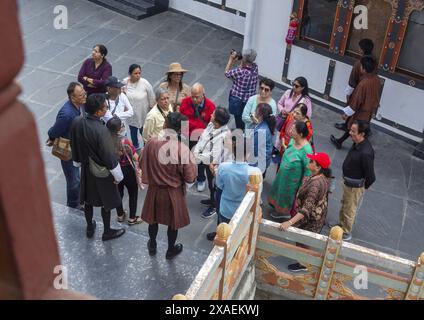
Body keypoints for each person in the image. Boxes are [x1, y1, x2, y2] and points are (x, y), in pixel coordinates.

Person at [140, 112, 197, 260]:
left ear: (165, 125)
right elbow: (190, 178)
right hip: (173, 192)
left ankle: (152, 244)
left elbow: (142, 163)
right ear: (179, 130)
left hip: (154, 190)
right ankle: (170, 249)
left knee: (153, 220)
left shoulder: (151, 142)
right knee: (173, 224)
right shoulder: (182, 149)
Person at [70, 94, 125, 241]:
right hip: (102, 173)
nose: (107, 109)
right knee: (105, 202)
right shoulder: (102, 131)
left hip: (86, 170)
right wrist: (118, 176)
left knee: (87, 200)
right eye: (105, 108)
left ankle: (89, 226)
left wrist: (77, 162)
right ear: (98, 112)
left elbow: (73, 143)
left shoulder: (77, 122)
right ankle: (107, 231)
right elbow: (110, 158)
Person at [279, 152, 332, 272]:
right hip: (316, 217)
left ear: (318, 168)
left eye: (312, 161)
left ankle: (303, 264)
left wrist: (290, 222)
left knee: (303, 241)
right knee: (303, 241)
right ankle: (303, 261)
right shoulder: (320, 178)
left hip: (310, 220)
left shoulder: (315, 185)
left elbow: (306, 209)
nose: (309, 162)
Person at [206, 135, 262, 241]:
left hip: (226, 208)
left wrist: (215, 172)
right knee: (238, 236)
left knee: (223, 230)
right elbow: (257, 193)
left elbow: (219, 185)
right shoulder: (255, 172)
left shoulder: (223, 167)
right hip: (243, 211)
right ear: (248, 154)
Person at [331, 120, 375, 241]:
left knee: (349, 210)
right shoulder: (356, 143)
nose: (350, 133)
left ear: (362, 134)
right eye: (350, 130)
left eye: (353, 131)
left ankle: (345, 232)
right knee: (344, 205)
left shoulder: (366, 152)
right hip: (348, 183)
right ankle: (340, 225)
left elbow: (370, 175)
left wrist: (361, 187)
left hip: (355, 186)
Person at [47, 82, 86, 210]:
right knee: (73, 180)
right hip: (68, 151)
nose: (84, 95)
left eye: (84, 92)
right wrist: (52, 137)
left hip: (76, 147)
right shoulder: (67, 114)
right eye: (81, 95)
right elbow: (54, 131)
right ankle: (73, 205)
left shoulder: (79, 105)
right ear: (72, 97)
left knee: (76, 177)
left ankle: (78, 199)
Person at [330, 56, 381, 149]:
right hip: (369, 111)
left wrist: (346, 114)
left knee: (355, 129)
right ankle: (341, 141)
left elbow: (356, 101)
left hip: (361, 111)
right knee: (356, 129)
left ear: (364, 69)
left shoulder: (363, 83)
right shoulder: (377, 79)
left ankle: (354, 147)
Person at [268, 121, 313, 219]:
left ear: (300, 134)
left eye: (293, 130)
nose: (290, 131)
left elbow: (308, 170)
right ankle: (275, 205)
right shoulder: (293, 141)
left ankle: (282, 213)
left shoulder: (307, 150)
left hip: (292, 181)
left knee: (285, 196)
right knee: (278, 190)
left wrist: (302, 188)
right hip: (282, 175)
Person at [193, 107, 231, 219]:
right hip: (205, 161)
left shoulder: (223, 135)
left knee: (215, 185)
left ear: (218, 121)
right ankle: (211, 199)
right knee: (210, 183)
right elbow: (202, 139)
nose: (211, 115)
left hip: (215, 166)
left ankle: (214, 206)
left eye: (213, 115)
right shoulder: (211, 125)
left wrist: (196, 156)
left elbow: (214, 156)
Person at [180, 83, 216, 192]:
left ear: (203, 95)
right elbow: (183, 119)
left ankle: (201, 179)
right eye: (193, 96)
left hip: (202, 138)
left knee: (200, 160)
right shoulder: (185, 102)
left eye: (197, 96)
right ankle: (189, 177)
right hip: (187, 136)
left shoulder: (210, 106)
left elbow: (212, 124)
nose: (194, 99)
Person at [106, 117, 142, 226]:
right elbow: (135, 157)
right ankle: (132, 218)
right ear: (119, 130)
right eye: (122, 126)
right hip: (127, 170)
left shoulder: (106, 140)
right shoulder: (125, 141)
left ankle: (120, 214)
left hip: (114, 170)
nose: (123, 127)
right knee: (133, 193)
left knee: (119, 192)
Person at [335, 39, 375, 132]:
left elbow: (352, 80)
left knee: (354, 109)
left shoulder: (359, 64)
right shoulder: (374, 62)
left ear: (361, 50)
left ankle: (348, 126)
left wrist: (348, 94)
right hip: (369, 94)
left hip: (358, 91)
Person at [122, 64, 156, 150]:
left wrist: (152, 111)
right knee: (133, 132)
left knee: (145, 133)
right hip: (132, 115)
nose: (138, 75)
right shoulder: (125, 82)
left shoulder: (145, 83)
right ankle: (136, 148)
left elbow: (152, 97)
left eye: (139, 73)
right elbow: (121, 96)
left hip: (143, 114)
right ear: (130, 74)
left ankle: (147, 148)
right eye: (135, 73)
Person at [225, 48, 259, 130]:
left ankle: (240, 137)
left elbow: (226, 73)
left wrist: (231, 59)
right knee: (245, 120)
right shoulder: (255, 68)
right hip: (249, 101)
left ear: (245, 58)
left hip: (238, 102)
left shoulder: (240, 71)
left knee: (239, 122)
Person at [249, 103, 275, 177]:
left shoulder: (261, 131)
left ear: (260, 115)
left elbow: (255, 150)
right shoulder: (265, 124)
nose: (254, 111)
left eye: (256, 110)